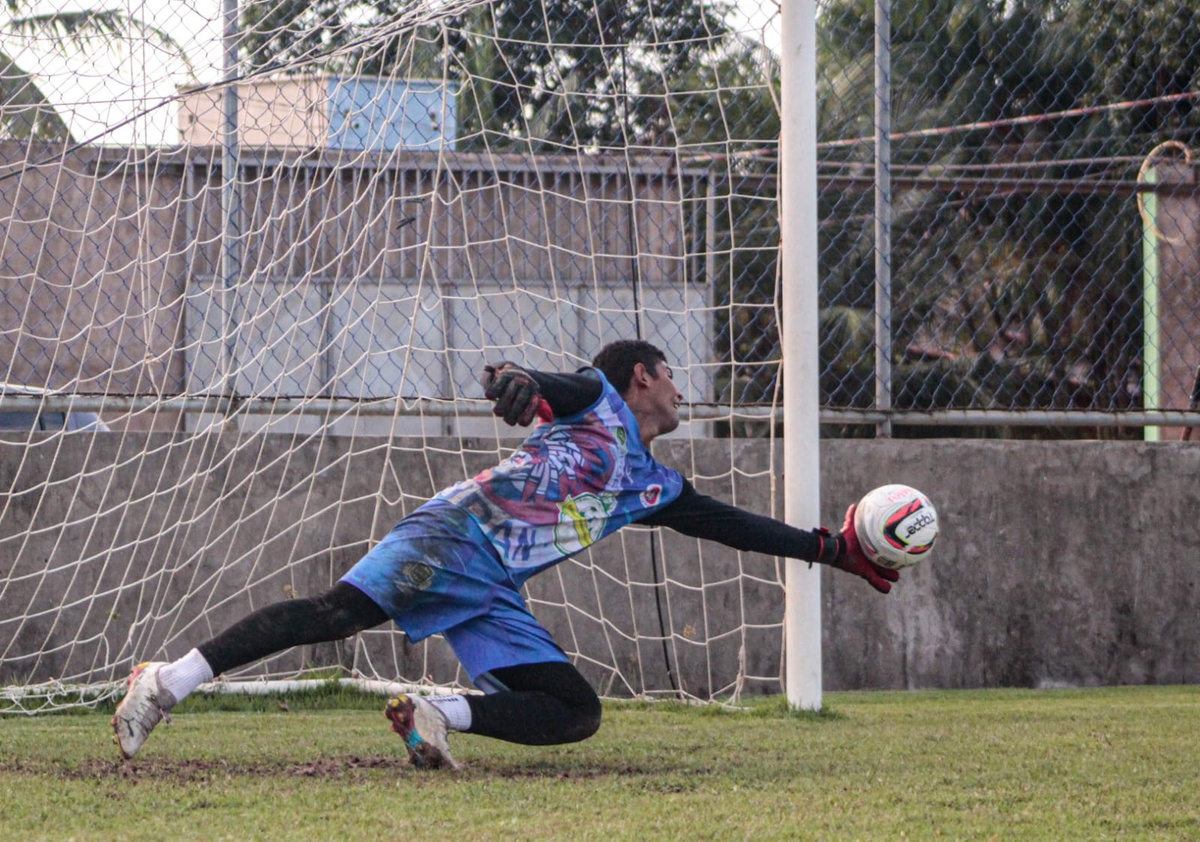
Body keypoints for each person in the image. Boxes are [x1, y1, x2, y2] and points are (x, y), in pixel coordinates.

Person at [111, 339, 899, 769]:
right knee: (336, 615)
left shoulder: (655, 485)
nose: (680, 390)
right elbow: (530, 378)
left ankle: (436, 714)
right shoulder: (597, 399)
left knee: (576, 712)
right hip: (454, 536)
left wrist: (837, 550)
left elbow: (737, 527)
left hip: (492, 590)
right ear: (642, 376)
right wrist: (512, 382)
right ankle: (166, 683)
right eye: (670, 375)